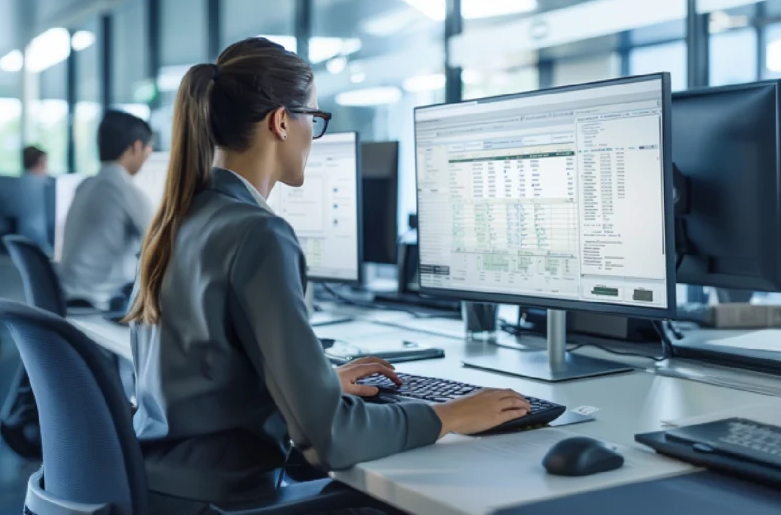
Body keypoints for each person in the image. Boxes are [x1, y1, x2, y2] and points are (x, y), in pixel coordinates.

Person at [126, 37, 531, 514]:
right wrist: (447, 414)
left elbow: (204, 377)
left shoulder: (180, 217)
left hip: (162, 487)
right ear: (281, 121)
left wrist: (317, 384)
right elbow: (330, 438)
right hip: (221, 501)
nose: (312, 136)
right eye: (313, 119)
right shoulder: (257, 233)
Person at [57, 110, 154, 310]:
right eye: (148, 147)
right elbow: (159, 247)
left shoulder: (86, 185)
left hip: (66, 299)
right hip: (98, 305)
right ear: (136, 147)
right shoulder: (125, 190)